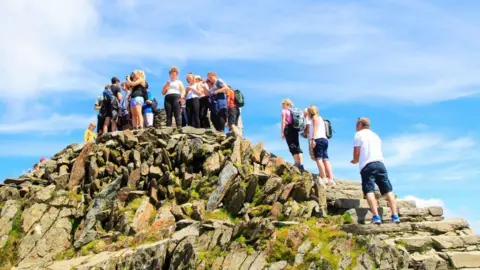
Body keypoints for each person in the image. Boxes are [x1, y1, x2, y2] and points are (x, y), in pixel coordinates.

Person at [351, 117, 400, 224]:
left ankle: (376, 217)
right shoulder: (375, 136)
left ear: (360, 124)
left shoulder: (359, 135)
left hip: (367, 165)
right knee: (388, 190)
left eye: (356, 124)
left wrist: (355, 160)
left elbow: (356, 152)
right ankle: (395, 215)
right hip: (380, 164)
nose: (355, 126)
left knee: (369, 190)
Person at [307, 106, 335, 185]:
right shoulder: (321, 118)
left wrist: (313, 139)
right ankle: (331, 178)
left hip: (318, 139)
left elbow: (315, 129)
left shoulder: (315, 118)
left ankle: (324, 177)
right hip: (325, 139)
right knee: (325, 159)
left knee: (318, 159)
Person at [281, 99, 304, 171]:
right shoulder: (292, 111)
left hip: (288, 128)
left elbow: (283, 121)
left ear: (285, 104)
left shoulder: (284, 111)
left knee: (291, 145)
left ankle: (296, 164)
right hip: (295, 129)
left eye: (283, 104)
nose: (282, 106)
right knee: (297, 146)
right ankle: (301, 164)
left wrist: (282, 132)